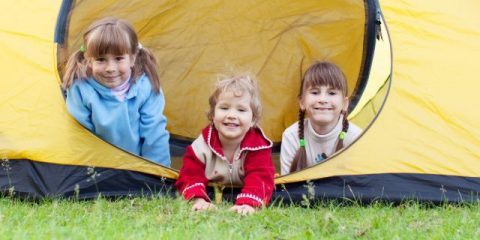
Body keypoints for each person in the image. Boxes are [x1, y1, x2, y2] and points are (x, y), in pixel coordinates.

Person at [62, 17, 170, 166]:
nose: (110, 68)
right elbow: (79, 137)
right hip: (95, 167)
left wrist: (159, 175)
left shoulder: (146, 87)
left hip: (137, 167)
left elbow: (154, 134)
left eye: (118, 58)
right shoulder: (80, 89)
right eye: (101, 60)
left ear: (132, 59)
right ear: (89, 60)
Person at [175, 74, 275, 215]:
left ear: (253, 120)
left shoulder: (258, 146)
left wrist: (248, 204)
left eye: (241, 110)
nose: (231, 115)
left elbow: (261, 177)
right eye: (224, 108)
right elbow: (189, 174)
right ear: (212, 115)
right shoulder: (203, 144)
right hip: (212, 190)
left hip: (245, 192)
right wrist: (199, 200)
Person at [280, 61, 362, 175]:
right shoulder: (291, 136)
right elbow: (287, 188)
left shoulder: (356, 138)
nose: (323, 99)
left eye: (332, 93)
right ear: (302, 102)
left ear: (344, 103)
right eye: (315, 92)